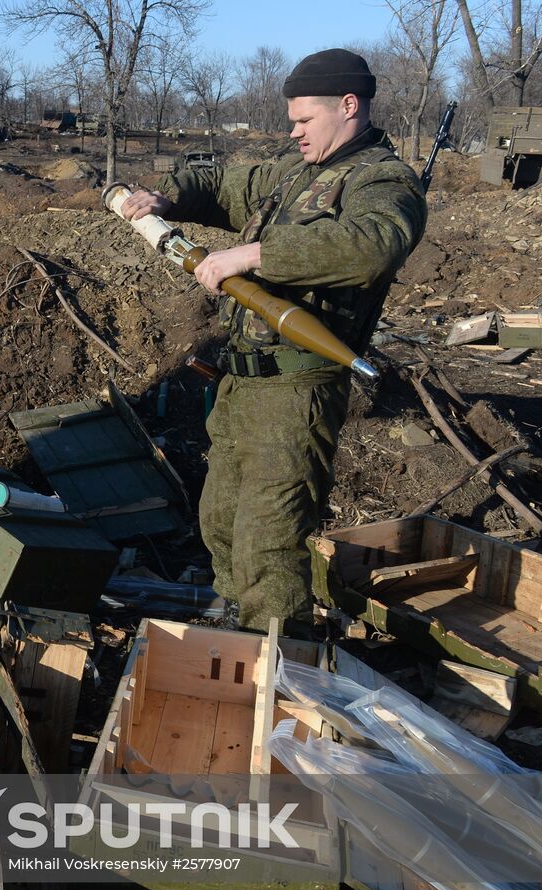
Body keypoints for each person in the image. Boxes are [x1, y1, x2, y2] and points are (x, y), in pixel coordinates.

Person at [120, 48, 427, 636]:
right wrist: (168, 196)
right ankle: (235, 629)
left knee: (270, 543)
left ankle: (273, 665)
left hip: (297, 389)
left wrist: (255, 253)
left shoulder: (383, 181)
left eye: (304, 120)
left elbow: (373, 246)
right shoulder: (295, 174)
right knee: (221, 522)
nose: (295, 131)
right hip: (242, 383)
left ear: (348, 106)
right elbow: (219, 182)